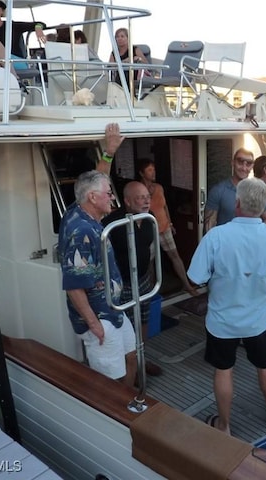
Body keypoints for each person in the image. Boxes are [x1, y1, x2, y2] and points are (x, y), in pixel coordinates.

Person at [187, 177, 266, 435]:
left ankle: (224, 425)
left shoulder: (216, 237)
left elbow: (195, 277)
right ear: (264, 205)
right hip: (260, 319)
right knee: (265, 366)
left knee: (224, 371)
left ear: (237, 204)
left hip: (223, 321)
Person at [58, 170, 137, 387]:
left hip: (114, 308)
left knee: (132, 357)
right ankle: (115, 414)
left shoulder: (79, 211)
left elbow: (88, 181)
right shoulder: (80, 231)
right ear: (92, 197)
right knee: (112, 379)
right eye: (109, 193)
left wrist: (108, 153)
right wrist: (94, 325)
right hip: (100, 316)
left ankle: (126, 405)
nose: (113, 197)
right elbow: (73, 286)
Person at [102, 181, 163, 377]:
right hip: (122, 284)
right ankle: (129, 368)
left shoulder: (149, 218)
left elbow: (149, 250)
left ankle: (140, 359)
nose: (146, 201)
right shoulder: (111, 223)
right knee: (125, 327)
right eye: (140, 197)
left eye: (147, 196)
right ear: (127, 201)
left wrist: (152, 277)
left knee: (143, 319)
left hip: (143, 279)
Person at [137, 159, 198, 296]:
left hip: (164, 227)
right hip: (149, 230)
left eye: (154, 169)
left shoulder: (159, 187)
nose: (153, 172)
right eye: (150, 170)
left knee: (175, 255)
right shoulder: (138, 189)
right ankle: (153, 292)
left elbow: (164, 207)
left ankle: (187, 285)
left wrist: (170, 223)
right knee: (150, 263)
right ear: (142, 173)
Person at [0, 0, 47, 76]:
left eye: (0, 5)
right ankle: (14, 78)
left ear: (3, 9)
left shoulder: (11, 25)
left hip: (15, 61)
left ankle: (9, 83)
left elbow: (40, 23)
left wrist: (38, 28)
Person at [203, 148, 254, 231]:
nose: (244, 168)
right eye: (240, 162)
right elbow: (209, 228)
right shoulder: (218, 191)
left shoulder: (257, 192)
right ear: (232, 162)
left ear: (252, 166)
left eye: (248, 163)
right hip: (225, 243)